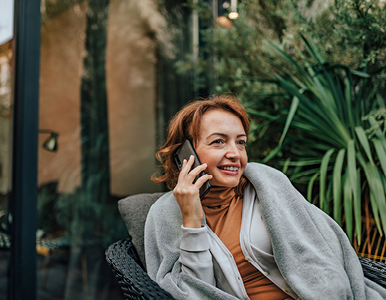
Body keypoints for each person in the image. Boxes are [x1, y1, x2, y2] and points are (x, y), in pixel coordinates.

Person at [144, 94, 386, 300]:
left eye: (241, 142)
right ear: (185, 153)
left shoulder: (267, 184)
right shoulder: (165, 215)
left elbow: (318, 251)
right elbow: (197, 292)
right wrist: (191, 222)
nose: (234, 154)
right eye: (218, 142)